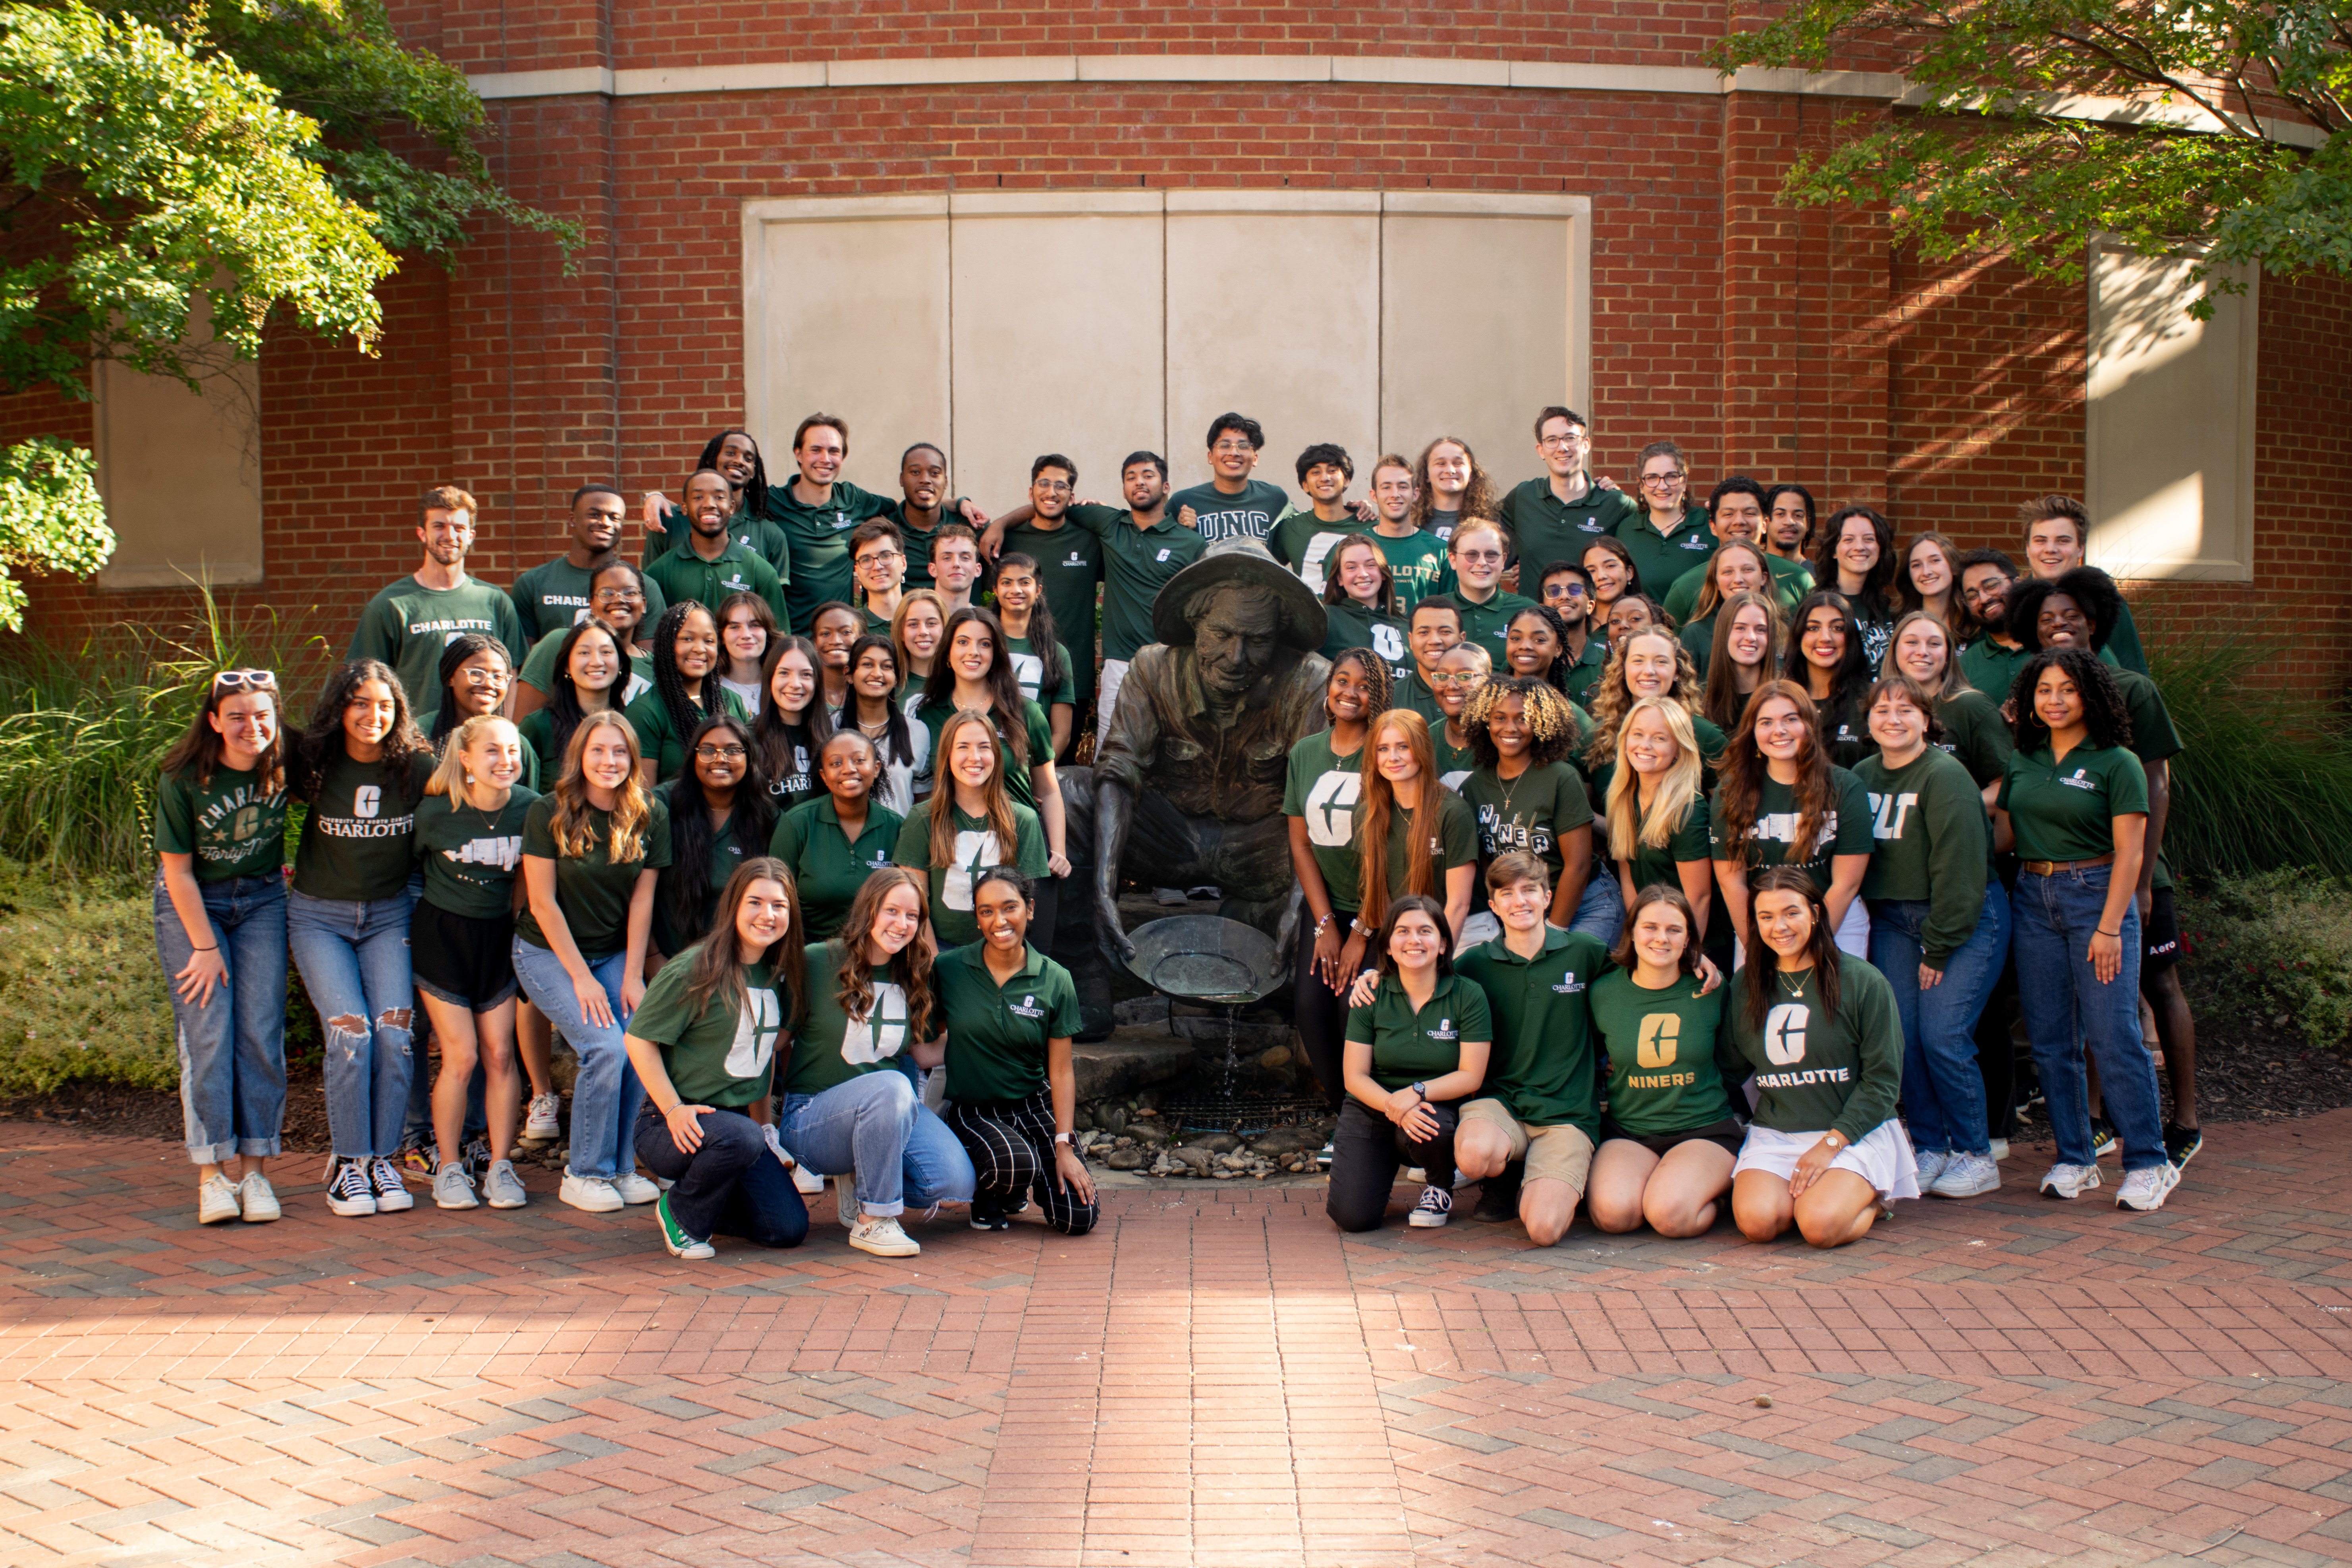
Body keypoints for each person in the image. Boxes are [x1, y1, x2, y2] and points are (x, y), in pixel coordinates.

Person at [2007, 568, 2199, 1167]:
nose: (2059, 626)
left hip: (2112, 880)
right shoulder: (2028, 746)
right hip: (2035, 894)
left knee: (2122, 1020)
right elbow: (2006, 812)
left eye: (2070, 616)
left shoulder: (2126, 706)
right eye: (2045, 620)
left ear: (2093, 620)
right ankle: (2079, 1147)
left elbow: (2153, 787)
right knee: (2055, 1034)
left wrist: (2134, 891)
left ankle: (2161, 1142)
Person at [1993, 647, 2174, 1210]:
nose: (2053, 700)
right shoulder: (2024, 760)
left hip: (2096, 894)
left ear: (2089, 695)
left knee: (2112, 1034)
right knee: (2049, 1041)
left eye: (2066, 689)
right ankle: (2075, 1158)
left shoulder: (2115, 761)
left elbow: (2130, 852)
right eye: (2043, 690)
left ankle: (2149, 1161)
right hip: (2031, 896)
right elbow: (2003, 835)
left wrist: (2108, 927)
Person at [286, 659, 434, 1217]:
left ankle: (383, 1161)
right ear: (339, 708)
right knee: (352, 1035)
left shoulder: (414, 767)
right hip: (318, 917)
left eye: (384, 705)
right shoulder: (316, 761)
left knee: (395, 1034)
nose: (372, 715)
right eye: (360, 703)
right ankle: (349, 1164)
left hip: (389, 916)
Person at [1856, 673, 2009, 1199]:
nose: (1892, 719)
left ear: (1926, 720)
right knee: (1903, 1038)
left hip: (1959, 916)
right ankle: (1929, 1146)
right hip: (1892, 922)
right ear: (1867, 720)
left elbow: (1960, 870)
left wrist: (1939, 944)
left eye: (1905, 709)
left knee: (1943, 1035)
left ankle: (1974, 1153)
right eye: (1881, 710)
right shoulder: (1860, 775)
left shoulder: (1944, 776)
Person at [512, 712, 671, 1214]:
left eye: (620, 751)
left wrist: (630, 976)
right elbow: (543, 903)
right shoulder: (548, 811)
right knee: (604, 1047)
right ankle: (584, 1173)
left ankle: (620, 1167)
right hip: (546, 951)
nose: (609, 761)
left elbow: (642, 901)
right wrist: (582, 979)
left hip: (614, 954)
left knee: (634, 1043)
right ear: (580, 755)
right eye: (598, 750)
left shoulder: (649, 813)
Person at [777, 867, 978, 1256]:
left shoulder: (915, 974)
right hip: (813, 1116)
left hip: (890, 1111)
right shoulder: (817, 961)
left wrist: (984, 1038)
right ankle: (875, 1220)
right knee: (892, 1084)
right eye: (892, 911)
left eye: (913, 916)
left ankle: (863, 1178)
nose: (902, 924)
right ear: (869, 910)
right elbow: (776, 1039)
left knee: (953, 1182)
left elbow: (923, 1054)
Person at [155, 669, 291, 1225]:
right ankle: (213, 1175)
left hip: (262, 901)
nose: (249, 726)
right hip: (194, 905)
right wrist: (205, 947)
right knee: (208, 1034)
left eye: (261, 714)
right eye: (236, 715)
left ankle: (256, 1173)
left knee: (260, 1032)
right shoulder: (184, 777)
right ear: (214, 721)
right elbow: (178, 873)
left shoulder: (286, 763)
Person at [624, 858, 812, 1259]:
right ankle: (682, 1214)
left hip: (736, 1130)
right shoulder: (696, 967)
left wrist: (766, 1129)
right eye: (755, 902)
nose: (768, 915)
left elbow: (762, 1054)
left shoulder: (780, 973)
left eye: (779, 906)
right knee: (740, 1136)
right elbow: (638, 1040)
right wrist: (673, 1109)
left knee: (787, 1228)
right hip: (670, 1123)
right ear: (733, 906)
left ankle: (708, 1204)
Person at [1727, 866, 1917, 1245]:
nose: (1779, 926)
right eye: (1766, 917)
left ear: (1815, 912)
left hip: (1850, 1132)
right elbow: (1728, 1066)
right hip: (1778, 1132)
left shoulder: (1863, 981)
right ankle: (1823, 1196)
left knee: (1818, 1227)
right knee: (1758, 1223)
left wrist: (1830, 1143)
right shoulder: (1746, 985)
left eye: (1791, 912)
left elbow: (1882, 1082)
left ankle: (1876, 1199)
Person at [410, 713, 538, 1213]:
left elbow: (532, 878)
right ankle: (448, 1167)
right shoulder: (435, 813)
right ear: (465, 759)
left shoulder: (530, 809)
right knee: (460, 1057)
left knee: (501, 1055)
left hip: (498, 940)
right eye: (492, 750)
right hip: (443, 938)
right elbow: (408, 870)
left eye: (512, 750)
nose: (505, 760)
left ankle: (502, 1165)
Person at [1450, 852, 1613, 1241]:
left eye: (1529, 890)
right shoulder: (1473, 963)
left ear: (1547, 896)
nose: (1519, 901)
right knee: (1473, 1156)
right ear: (1492, 906)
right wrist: (1375, 976)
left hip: (1567, 1112)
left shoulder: (1586, 953)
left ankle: (1550, 1179)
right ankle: (1507, 1175)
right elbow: (1421, 984)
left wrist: (1698, 964)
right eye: (1506, 893)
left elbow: (1643, 980)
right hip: (1502, 1102)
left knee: (1542, 1229)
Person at [938, 865, 1098, 1234]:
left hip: (1032, 1105)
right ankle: (992, 1191)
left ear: (1029, 909)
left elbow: (1060, 1071)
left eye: (1009, 907)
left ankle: (1020, 1180)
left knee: (1078, 1219)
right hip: (973, 1110)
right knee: (1012, 1164)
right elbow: (927, 1035)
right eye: (986, 911)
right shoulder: (948, 970)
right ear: (977, 919)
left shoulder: (1055, 978)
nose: (999, 921)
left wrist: (1064, 1146)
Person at [998, 451, 1204, 736]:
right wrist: (999, 524)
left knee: (1173, 750)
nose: (1139, 483)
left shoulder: (1190, 541)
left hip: (1171, 660)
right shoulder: (1109, 523)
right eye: (1131, 477)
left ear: (1166, 487)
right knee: (1111, 757)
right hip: (1119, 663)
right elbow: (1051, 504)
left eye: (1148, 476)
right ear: (1123, 489)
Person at [1586, 885, 1742, 1237]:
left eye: (1674, 929)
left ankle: (1714, 1195)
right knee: (1614, 1216)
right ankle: (1664, 1180)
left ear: (1688, 938)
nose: (1661, 938)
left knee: (1671, 1216)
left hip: (1703, 1129)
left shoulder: (1710, 989)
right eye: (1650, 927)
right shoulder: (1603, 992)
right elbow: (1588, 1054)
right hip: (1630, 1130)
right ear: (1631, 931)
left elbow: (1733, 1061)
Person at [1328, 895, 1492, 1230]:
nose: (1414, 940)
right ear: (1388, 945)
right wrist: (1395, 1104)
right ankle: (1372, 1173)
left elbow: (1471, 1075)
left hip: (1435, 1105)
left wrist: (1417, 1092)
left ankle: (1439, 1186)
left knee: (1434, 1129)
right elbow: (1354, 1077)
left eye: (1425, 931)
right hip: (1373, 1106)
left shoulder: (1468, 994)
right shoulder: (1369, 992)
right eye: (1402, 931)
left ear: (1444, 943)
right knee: (1353, 1218)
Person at [1286, 649, 1392, 1110]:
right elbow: (1301, 845)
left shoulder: (1385, 752)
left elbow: (1390, 853)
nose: (1351, 692)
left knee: (1353, 1005)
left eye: (1364, 685)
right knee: (1310, 1007)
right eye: (1342, 681)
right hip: (1328, 909)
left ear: (1380, 695)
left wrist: (1362, 932)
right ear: (1328, 687)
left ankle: (1367, 1114)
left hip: (1379, 909)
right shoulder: (1305, 752)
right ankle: (1343, 1112)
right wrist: (1326, 924)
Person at [1709, 681, 1873, 959]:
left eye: (1790, 719)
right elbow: (1731, 882)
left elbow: (1845, 884)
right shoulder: (1731, 791)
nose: (1779, 730)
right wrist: (1758, 946)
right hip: (1762, 926)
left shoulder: (1845, 787)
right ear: (1752, 732)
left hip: (1835, 921)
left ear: (1809, 724)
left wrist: (1809, 948)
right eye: (1766, 722)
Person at [909, 609, 1066, 893]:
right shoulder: (927, 716)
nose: (974, 652)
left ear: (996, 654)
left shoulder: (1026, 712)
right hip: (952, 851)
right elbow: (923, 789)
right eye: (963, 642)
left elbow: (1049, 790)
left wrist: (1058, 850)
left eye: (985, 644)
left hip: (1020, 845)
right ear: (947, 653)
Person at [348, 484, 526, 711]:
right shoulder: (391, 605)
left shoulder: (496, 602)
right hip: (416, 741)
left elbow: (513, 675)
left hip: (481, 741)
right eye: (439, 526)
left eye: (459, 528)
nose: (450, 536)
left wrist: (505, 728)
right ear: (422, 533)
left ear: (471, 536)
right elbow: (367, 680)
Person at [1460, 677, 1604, 941]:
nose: (1510, 728)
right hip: (1522, 907)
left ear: (1540, 723)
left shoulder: (1562, 778)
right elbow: (1486, 865)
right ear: (1485, 722)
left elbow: (1579, 865)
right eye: (1499, 718)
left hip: (1585, 903)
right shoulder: (1474, 786)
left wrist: (1553, 932)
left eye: (1522, 718)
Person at [895, 709, 1051, 951]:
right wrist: (936, 964)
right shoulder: (922, 819)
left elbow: (1027, 909)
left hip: (1003, 951)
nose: (974, 757)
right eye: (963, 747)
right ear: (947, 756)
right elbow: (914, 905)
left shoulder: (1024, 820)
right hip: (941, 950)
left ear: (997, 756)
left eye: (984, 747)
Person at [654, 714, 776, 963]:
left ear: (749, 758)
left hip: (736, 962)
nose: (720, 759)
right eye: (708, 750)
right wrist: (652, 957)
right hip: (666, 960)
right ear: (693, 757)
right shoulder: (662, 805)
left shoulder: (768, 819)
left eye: (733, 751)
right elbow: (636, 891)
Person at [994, 456, 1102, 727]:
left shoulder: (1090, 538)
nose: (1051, 492)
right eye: (1043, 484)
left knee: (1061, 765)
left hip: (1073, 676)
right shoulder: (1007, 540)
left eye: (1060, 486)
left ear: (1072, 495)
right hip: (1015, 673)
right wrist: (999, 523)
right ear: (1031, 492)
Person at [1355, 710, 1480, 945]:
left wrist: (1439, 959)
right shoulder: (1368, 814)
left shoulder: (1453, 812)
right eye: (1383, 749)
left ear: (1422, 749)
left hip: (1459, 932)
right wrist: (1401, 949)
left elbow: (1459, 904)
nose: (1393, 757)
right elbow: (1380, 895)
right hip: (1402, 935)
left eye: (1403, 747)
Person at [773, 730, 905, 941]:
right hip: (810, 954)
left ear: (877, 768)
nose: (849, 769)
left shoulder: (897, 827)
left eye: (859, 760)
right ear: (824, 776)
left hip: (878, 951)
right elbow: (775, 899)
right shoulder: (797, 823)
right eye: (836, 763)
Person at [1605, 697, 1716, 946]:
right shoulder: (1622, 800)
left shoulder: (1687, 808)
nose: (1645, 745)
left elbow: (1699, 898)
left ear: (1679, 748)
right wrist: (1638, 941)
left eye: (1660, 738)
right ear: (1625, 741)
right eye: (1638, 734)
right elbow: (1630, 881)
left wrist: (1687, 954)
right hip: (1651, 940)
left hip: (1692, 940)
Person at [510, 484, 669, 650]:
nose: (605, 523)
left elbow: (648, 662)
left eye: (615, 518)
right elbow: (526, 662)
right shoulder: (533, 583)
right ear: (573, 519)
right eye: (595, 515)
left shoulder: (643, 587)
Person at [1497, 407, 1637, 582]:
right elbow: (1481, 525)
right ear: (1541, 450)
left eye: (1570, 438)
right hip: (1534, 609)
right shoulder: (1523, 497)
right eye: (1552, 440)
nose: (1562, 448)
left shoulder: (1616, 504)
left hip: (1591, 610)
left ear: (1586, 445)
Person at [1880, 610, 2011, 796]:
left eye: (1934, 644)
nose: (1922, 652)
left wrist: (1955, 811)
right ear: (1894, 649)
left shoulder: (1972, 706)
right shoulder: (1878, 709)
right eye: (1912, 642)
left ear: (1949, 654)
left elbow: (2005, 787)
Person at [1584, 628, 1726, 798]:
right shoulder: (1599, 736)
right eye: (1638, 661)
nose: (1649, 671)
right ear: (1623, 670)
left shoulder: (1706, 736)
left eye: (1661, 662)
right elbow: (1585, 815)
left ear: (1678, 673)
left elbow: (1726, 814)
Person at [642, 469, 791, 628]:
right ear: (684, 509)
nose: (709, 504)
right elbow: (648, 639)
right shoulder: (659, 572)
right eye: (699, 497)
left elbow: (779, 639)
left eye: (719, 497)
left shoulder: (762, 572)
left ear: (732, 507)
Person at [623, 602, 752, 786]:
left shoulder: (732, 702)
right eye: (687, 639)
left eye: (709, 641)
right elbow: (646, 799)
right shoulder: (644, 711)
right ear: (666, 645)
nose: (700, 649)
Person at [2019, 494, 2148, 674]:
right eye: (2041, 540)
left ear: (2081, 548)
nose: (2050, 549)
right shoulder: (2012, 607)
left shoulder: (2105, 604)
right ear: (2028, 548)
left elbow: (2134, 675)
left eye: (2063, 540)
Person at [515, 559, 657, 721]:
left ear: (644, 604)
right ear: (592, 605)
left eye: (630, 593)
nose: (619, 600)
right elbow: (521, 730)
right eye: (607, 593)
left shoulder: (656, 669)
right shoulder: (560, 643)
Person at [1659, 478, 1811, 623]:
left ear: (1765, 524)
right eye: (1729, 514)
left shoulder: (1799, 580)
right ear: (1713, 526)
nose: (1739, 521)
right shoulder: (1685, 587)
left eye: (1750, 513)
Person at [639, 426, 788, 570]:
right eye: (731, 453)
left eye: (748, 459)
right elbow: (650, 588)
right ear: (712, 459)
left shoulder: (771, 535)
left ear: (754, 472)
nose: (740, 461)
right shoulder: (669, 523)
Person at [518, 619, 631, 784]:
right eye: (584, 653)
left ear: (621, 663)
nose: (596, 662)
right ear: (567, 666)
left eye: (606, 652)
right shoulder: (538, 726)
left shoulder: (634, 722)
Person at [418, 635, 536, 788]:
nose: (488, 683)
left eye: (498, 677)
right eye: (476, 673)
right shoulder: (420, 734)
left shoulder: (517, 745)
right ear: (451, 677)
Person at [991, 552, 1077, 758]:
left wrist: (1039, 777)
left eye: (1024, 582)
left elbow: (1062, 734)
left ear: (1038, 590)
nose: (1016, 590)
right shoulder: (982, 644)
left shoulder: (1056, 654)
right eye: (1007, 583)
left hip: (1031, 767)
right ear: (995, 590)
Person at [1783, 591, 1873, 769]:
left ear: (1850, 637)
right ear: (1799, 635)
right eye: (1813, 628)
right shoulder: (1778, 698)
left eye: (1838, 628)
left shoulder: (1872, 701)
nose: (1825, 638)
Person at [839, 634, 926, 815]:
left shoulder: (917, 732)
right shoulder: (830, 727)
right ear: (849, 674)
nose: (877, 673)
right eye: (867, 664)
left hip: (899, 839)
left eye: (887, 666)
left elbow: (923, 803)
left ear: (896, 678)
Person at [1170, 413, 1289, 543]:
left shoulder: (1275, 499)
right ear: (1210, 457)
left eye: (1243, 447)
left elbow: (1303, 537)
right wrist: (1179, 530)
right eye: (1225, 446)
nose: (1234, 453)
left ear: (1255, 459)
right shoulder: (1183, 502)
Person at [1612, 440, 1713, 593]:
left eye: (1671, 476)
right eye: (1652, 478)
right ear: (1641, 485)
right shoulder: (1626, 529)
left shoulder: (1709, 525)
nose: (1662, 486)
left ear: (1684, 481)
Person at [1268, 442, 1369, 592]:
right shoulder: (1291, 528)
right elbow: (1268, 571)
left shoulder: (1369, 527)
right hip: (1307, 614)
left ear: (1347, 480)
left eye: (1333, 470)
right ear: (1305, 485)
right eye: (1316, 472)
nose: (1325, 478)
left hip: (1353, 614)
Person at [749, 634, 832, 814]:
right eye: (784, 673)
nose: (795, 684)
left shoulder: (832, 738)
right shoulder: (747, 739)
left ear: (817, 682)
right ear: (770, 678)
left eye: (806, 675)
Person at [1808, 507, 1898, 666]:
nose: (1860, 547)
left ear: (1880, 548)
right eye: (1849, 540)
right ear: (1834, 551)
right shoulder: (1816, 607)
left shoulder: (1885, 609)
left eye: (1869, 539)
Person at [1675, 538, 1777, 678]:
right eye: (1728, 572)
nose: (1738, 579)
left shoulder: (1784, 627)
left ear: (1764, 578)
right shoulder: (1695, 635)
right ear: (1716, 581)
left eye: (1748, 570)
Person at [1320, 533, 1412, 686]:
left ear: (1383, 573)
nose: (1363, 574)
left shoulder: (1408, 626)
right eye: (1351, 567)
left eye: (1371, 565)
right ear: (1340, 579)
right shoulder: (1326, 618)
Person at [1366, 451, 1455, 611]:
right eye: (1386, 487)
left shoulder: (1441, 551)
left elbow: (1452, 612)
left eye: (1403, 487)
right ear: (1374, 495)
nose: (1395, 495)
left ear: (1415, 494)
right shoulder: (1354, 548)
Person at [1447, 518, 1538, 657]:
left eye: (1491, 555)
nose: (1482, 562)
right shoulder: (1435, 612)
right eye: (1471, 555)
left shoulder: (1528, 612)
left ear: (1504, 560)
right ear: (1453, 560)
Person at [1699, 590, 1782, 732]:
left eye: (1761, 630)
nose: (1751, 637)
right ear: (1723, 632)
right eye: (1740, 628)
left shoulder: (1785, 698)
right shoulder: (1698, 701)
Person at [1532, 561, 1610, 704]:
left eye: (1574, 590)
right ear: (1541, 608)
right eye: (1554, 592)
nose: (1564, 597)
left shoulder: (1610, 665)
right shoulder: (1526, 659)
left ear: (1590, 606)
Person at [880, 442, 954, 589]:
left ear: (946, 482)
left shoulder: (968, 529)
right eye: (915, 472)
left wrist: (1001, 524)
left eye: (935, 473)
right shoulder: (883, 532)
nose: (925, 480)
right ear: (902, 479)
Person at [1410, 435, 1497, 545]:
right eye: (1441, 464)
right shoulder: (1408, 523)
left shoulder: (1492, 523)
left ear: (1472, 474)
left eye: (1458, 463)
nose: (1450, 470)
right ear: (1426, 474)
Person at [1429, 642, 1491, 789]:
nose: (1452, 686)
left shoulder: (1502, 737)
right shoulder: (1426, 740)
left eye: (1465, 676)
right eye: (1443, 676)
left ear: (1488, 682)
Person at [1395, 596, 1464, 724]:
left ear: (1462, 639)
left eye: (1445, 632)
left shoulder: (1482, 694)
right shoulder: (1391, 698)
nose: (1434, 641)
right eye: (1424, 632)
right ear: (1410, 640)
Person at [1897, 532, 1968, 643]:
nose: (1926, 572)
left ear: (1954, 567)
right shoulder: (1896, 626)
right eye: (1917, 565)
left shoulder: (1976, 627)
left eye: (1935, 561)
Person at [714, 591, 776, 716]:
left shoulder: (784, 686)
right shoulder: (712, 690)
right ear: (721, 637)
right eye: (735, 627)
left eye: (755, 625)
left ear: (768, 633)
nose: (746, 635)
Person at [848, 517, 909, 633]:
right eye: (866, 560)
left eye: (886, 556)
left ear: (903, 563)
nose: (877, 566)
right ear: (858, 572)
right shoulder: (851, 629)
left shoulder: (924, 621)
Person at [890, 588, 950, 698]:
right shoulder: (889, 686)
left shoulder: (961, 683)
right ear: (901, 633)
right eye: (913, 624)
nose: (923, 632)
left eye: (931, 623)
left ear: (945, 629)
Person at [1581, 536, 1640, 627]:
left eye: (1610, 566)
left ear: (1629, 572)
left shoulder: (1645, 625)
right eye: (1592, 571)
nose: (1601, 576)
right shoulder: (1577, 624)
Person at [1764, 483, 1816, 568]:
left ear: (1808, 524)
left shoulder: (1821, 578)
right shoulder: (1748, 574)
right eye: (1780, 514)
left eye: (1798, 515)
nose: (1789, 522)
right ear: (1766, 522)